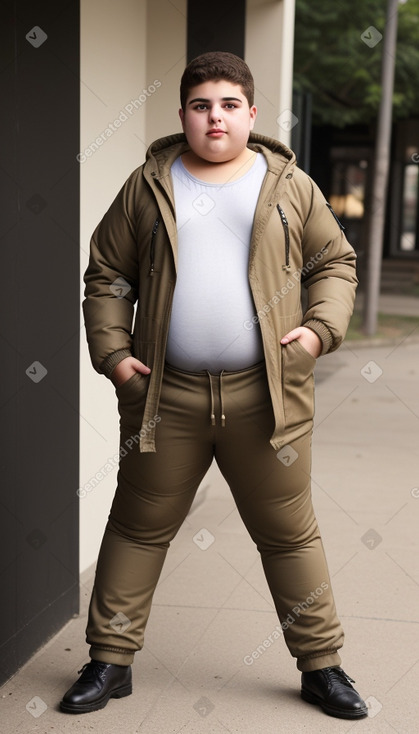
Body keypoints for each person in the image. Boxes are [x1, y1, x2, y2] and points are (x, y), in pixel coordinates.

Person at [60, 51, 368, 720]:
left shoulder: (289, 186)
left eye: (228, 104)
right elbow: (106, 274)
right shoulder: (146, 187)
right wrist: (114, 356)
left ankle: (322, 667)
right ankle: (108, 662)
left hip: (267, 397)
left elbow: (333, 263)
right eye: (201, 105)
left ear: (251, 114)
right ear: (183, 115)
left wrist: (318, 332)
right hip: (164, 397)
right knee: (137, 529)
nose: (214, 117)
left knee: (289, 534)